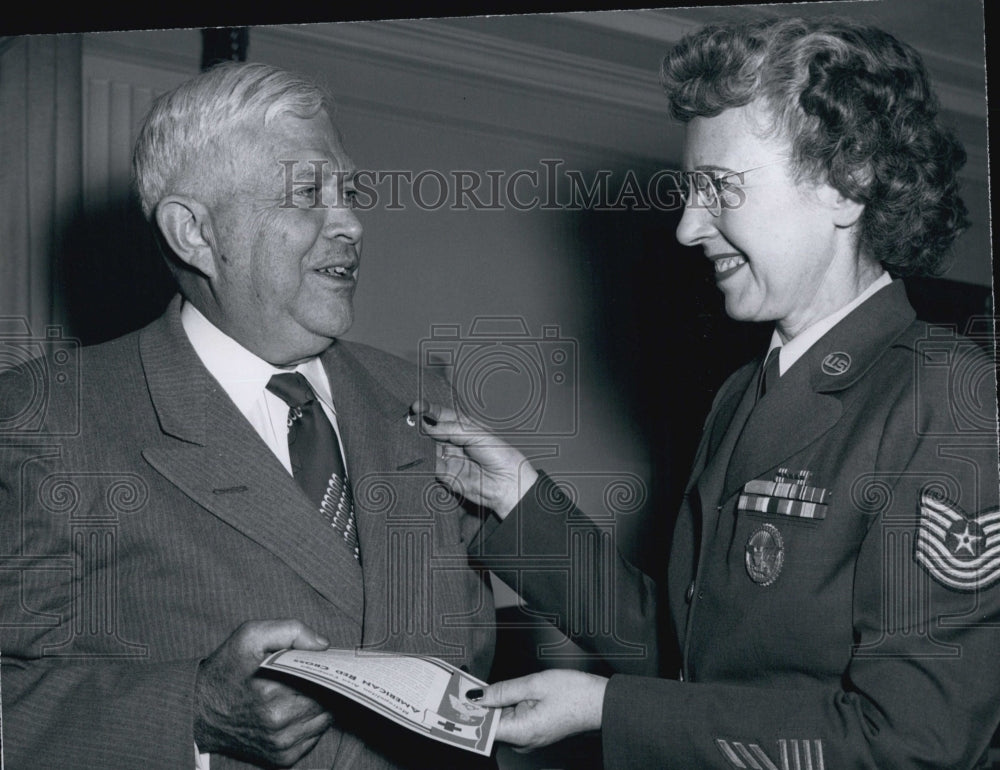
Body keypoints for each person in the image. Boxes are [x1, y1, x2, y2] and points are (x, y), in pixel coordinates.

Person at [414, 17, 1000, 770]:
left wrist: (609, 710)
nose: (689, 227)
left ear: (846, 184)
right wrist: (518, 499)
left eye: (719, 188)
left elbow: (913, 743)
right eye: (691, 192)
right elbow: (690, 658)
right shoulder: (742, 395)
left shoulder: (945, 395)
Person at [0, 63, 495, 770]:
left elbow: (471, 659)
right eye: (308, 194)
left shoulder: (416, 397)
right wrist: (192, 712)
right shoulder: (48, 420)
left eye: (349, 193)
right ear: (194, 233)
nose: (352, 223)